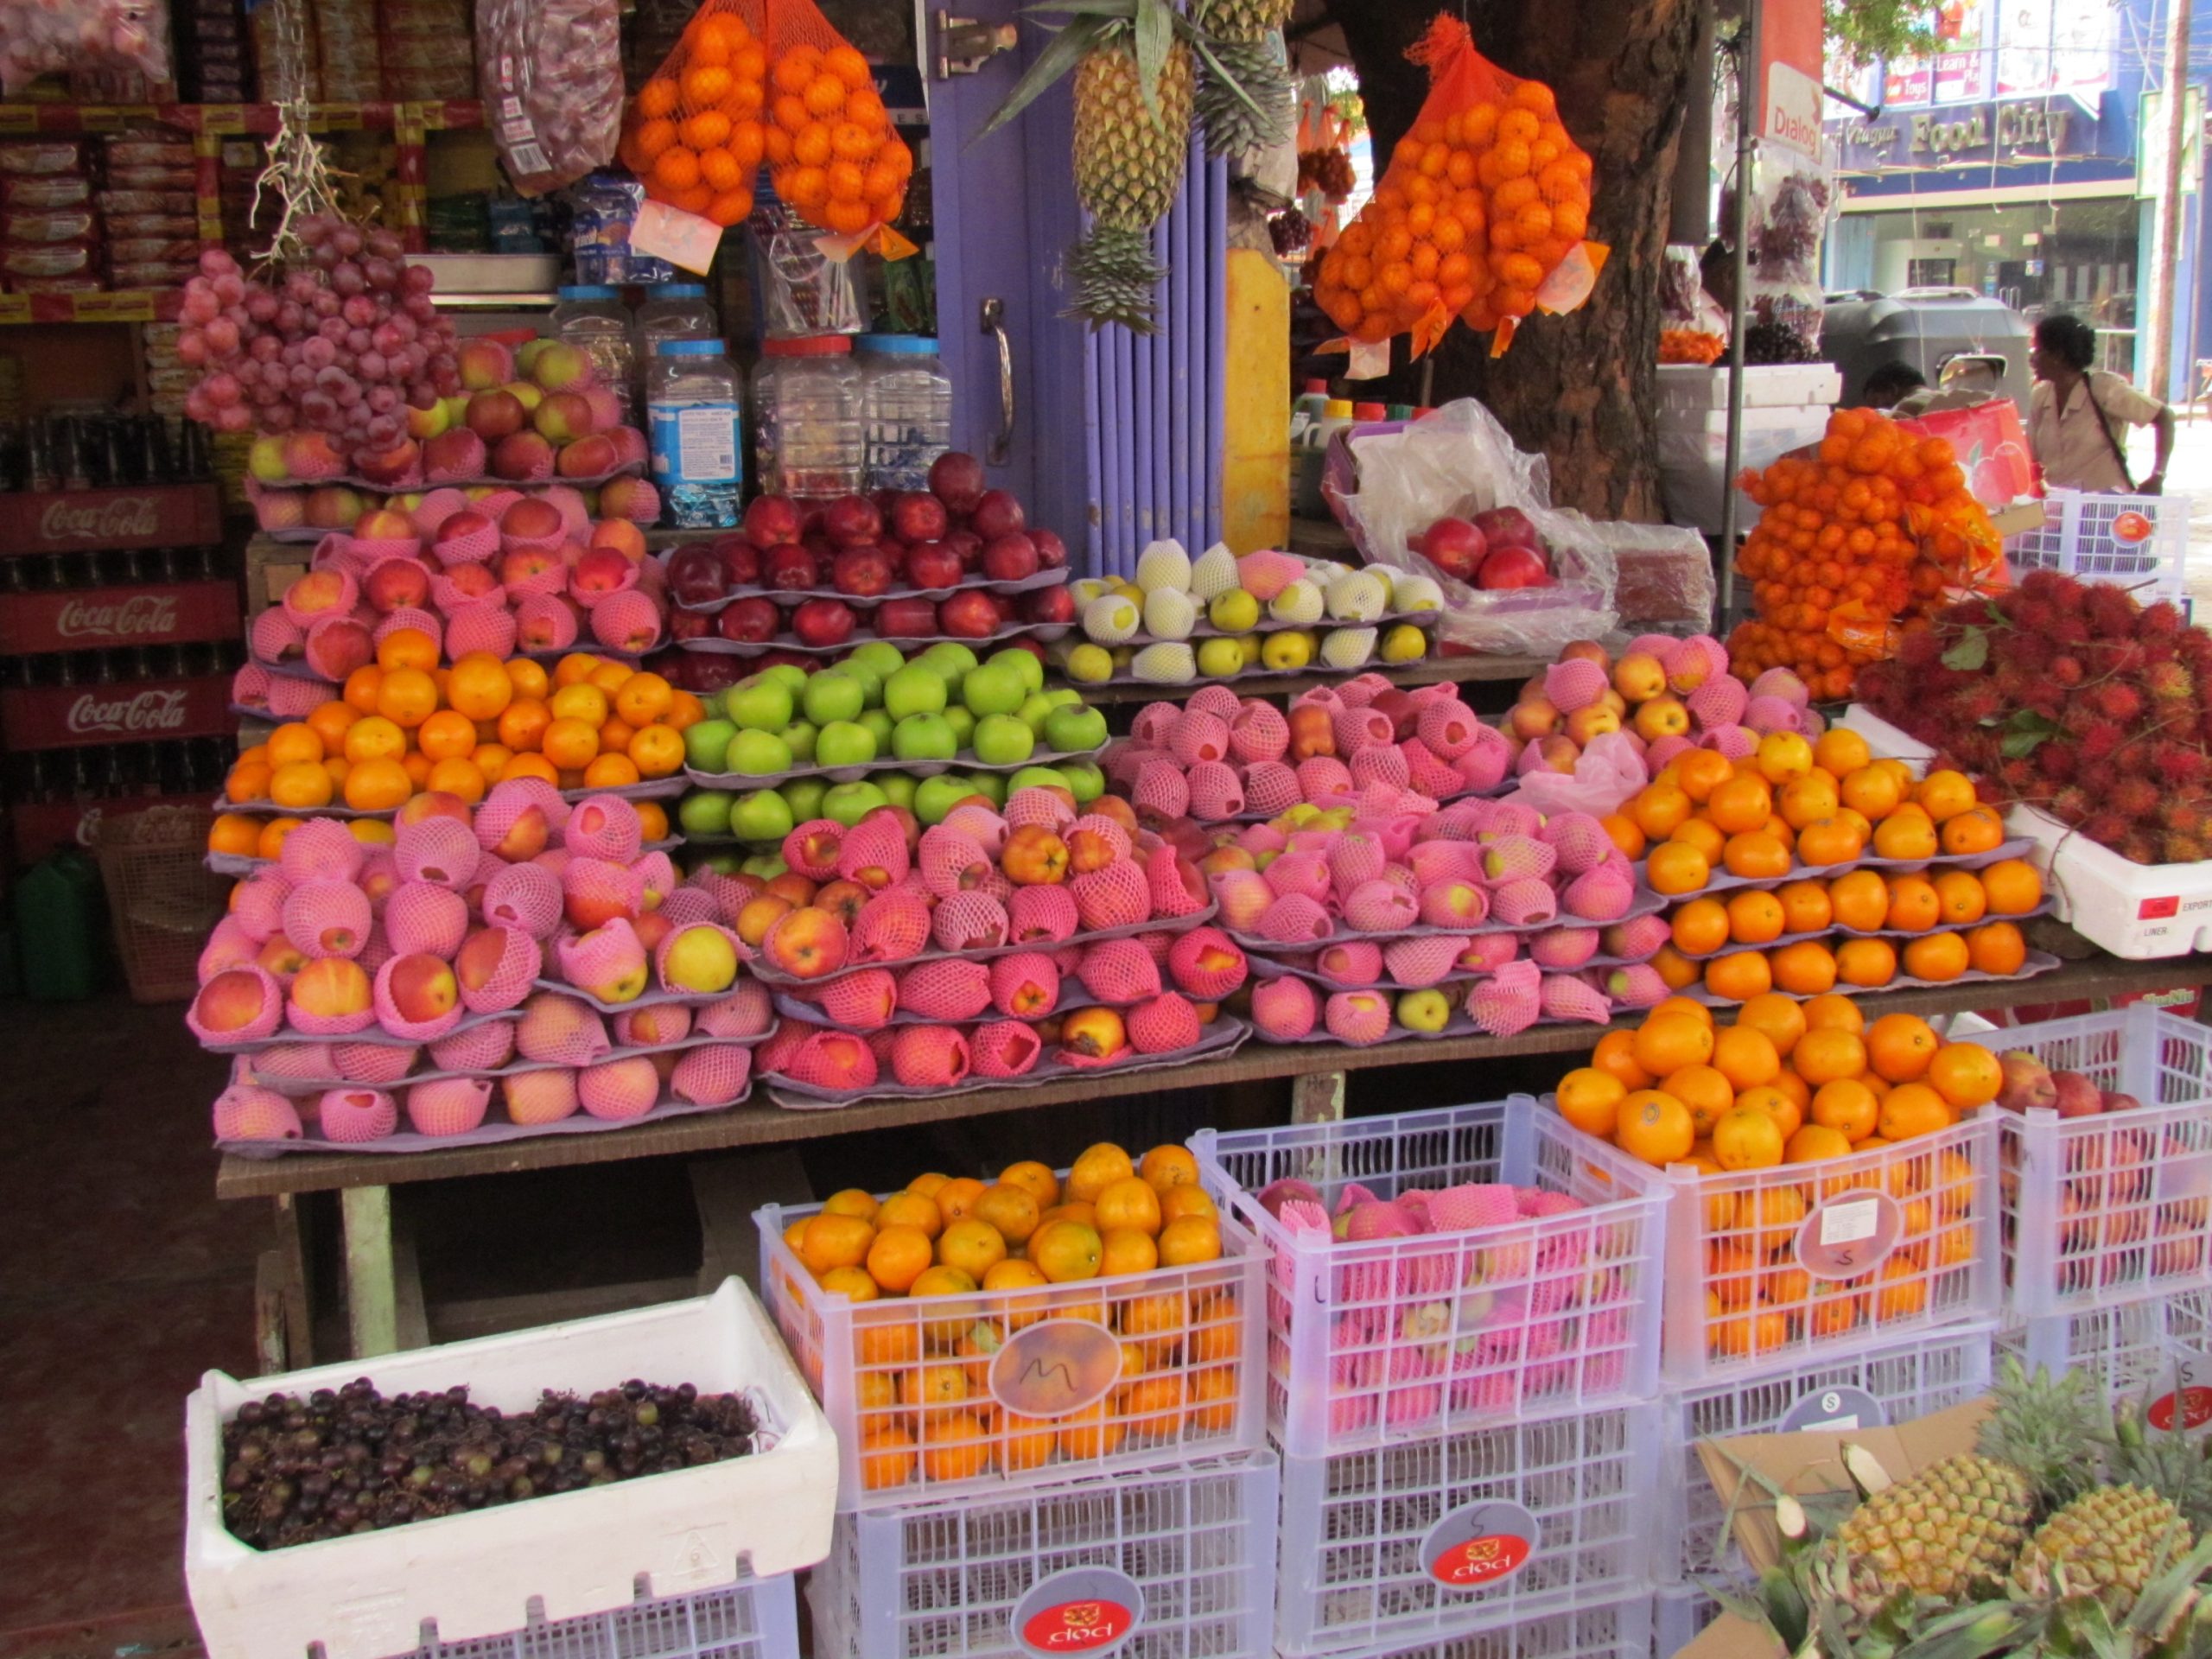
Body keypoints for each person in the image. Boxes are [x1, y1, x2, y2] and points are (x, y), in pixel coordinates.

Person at [2027, 314, 2174, 493]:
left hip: (2105, 507)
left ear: (2058, 355)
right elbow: (2030, 459)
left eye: (2037, 351)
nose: (2031, 360)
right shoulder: (2040, 396)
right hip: (2060, 508)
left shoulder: (2104, 388)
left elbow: (2164, 416)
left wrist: (2158, 475)